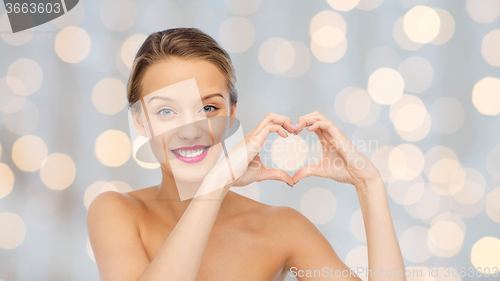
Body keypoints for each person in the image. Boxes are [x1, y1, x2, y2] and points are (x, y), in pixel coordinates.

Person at [86, 27, 406, 281]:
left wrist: (369, 185)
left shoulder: (281, 228)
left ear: (232, 113)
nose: (189, 130)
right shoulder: (116, 212)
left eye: (209, 108)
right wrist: (215, 185)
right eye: (166, 111)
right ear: (140, 121)